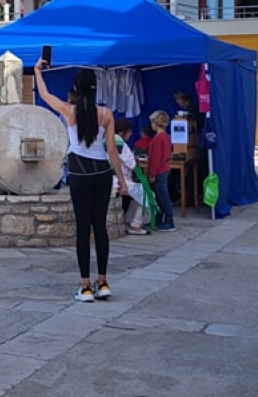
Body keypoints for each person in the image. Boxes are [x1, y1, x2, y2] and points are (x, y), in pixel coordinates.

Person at [35, 57, 129, 302]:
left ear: (76, 88)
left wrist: (37, 71)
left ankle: (85, 286)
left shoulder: (69, 111)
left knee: (83, 228)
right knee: (100, 227)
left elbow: (45, 95)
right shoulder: (106, 114)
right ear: (95, 88)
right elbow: (112, 150)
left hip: (79, 173)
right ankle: (103, 282)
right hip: (102, 173)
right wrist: (122, 180)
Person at [113, 118, 147, 235]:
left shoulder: (106, 140)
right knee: (146, 194)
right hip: (118, 180)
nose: (131, 134)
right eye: (129, 131)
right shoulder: (120, 143)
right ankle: (135, 225)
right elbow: (131, 164)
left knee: (137, 195)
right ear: (122, 132)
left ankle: (128, 221)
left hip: (108, 179)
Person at [147, 111, 176, 233]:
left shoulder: (158, 139)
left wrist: (152, 174)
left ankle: (169, 221)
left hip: (159, 171)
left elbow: (156, 158)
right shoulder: (166, 137)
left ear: (155, 123)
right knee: (160, 196)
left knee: (162, 196)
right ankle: (159, 219)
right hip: (164, 169)